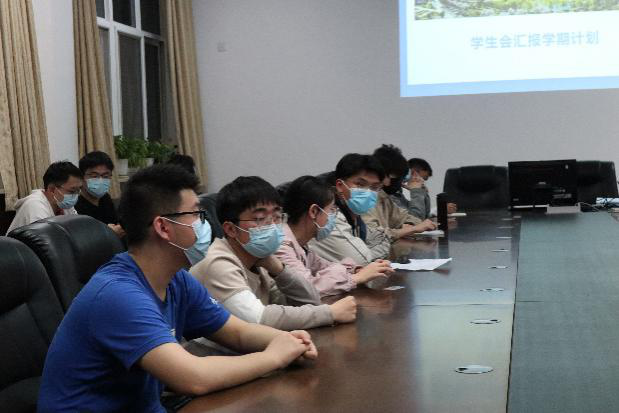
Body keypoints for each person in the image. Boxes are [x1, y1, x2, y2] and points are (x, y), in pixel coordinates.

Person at [38, 165, 317, 412]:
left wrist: (289, 341)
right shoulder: (118, 294)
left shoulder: (177, 280)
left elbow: (237, 332)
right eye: (196, 214)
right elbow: (193, 377)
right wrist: (273, 356)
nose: (206, 225)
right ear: (163, 226)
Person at [190, 176, 357, 331]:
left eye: (276, 217)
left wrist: (279, 269)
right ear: (231, 229)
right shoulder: (218, 262)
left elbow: (310, 301)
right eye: (260, 218)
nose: (272, 225)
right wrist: (330, 313)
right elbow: (258, 318)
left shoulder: (258, 259)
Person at [276, 175, 394, 298]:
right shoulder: (282, 246)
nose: (334, 215)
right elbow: (307, 289)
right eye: (332, 209)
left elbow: (325, 266)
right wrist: (356, 278)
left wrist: (357, 270)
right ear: (314, 211)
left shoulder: (301, 244)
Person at [309, 153, 391, 265]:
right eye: (360, 184)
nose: (367, 192)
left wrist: (366, 252)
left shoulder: (353, 214)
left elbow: (381, 236)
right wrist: (368, 253)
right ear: (340, 185)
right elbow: (360, 261)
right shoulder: (329, 217)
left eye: (374, 187)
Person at [361, 145, 436, 239]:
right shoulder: (364, 199)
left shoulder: (383, 196)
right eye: (396, 178)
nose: (389, 183)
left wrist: (411, 225)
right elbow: (374, 236)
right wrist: (411, 229)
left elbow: (408, 217)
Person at [6, 161, 82, 234]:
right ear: (52, 189)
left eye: (78, 190)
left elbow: (78, 230)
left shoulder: (64, 204)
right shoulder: (35, 205)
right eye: (72, 191)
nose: (76, 195)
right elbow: (46, 239)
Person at [75, 151, 124, 237]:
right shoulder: (75, 206)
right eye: (94, 176)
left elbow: (116, 223)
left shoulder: (105, 198)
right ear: (81, 178)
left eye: (105, 176)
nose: (100, 180)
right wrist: (108, 233)